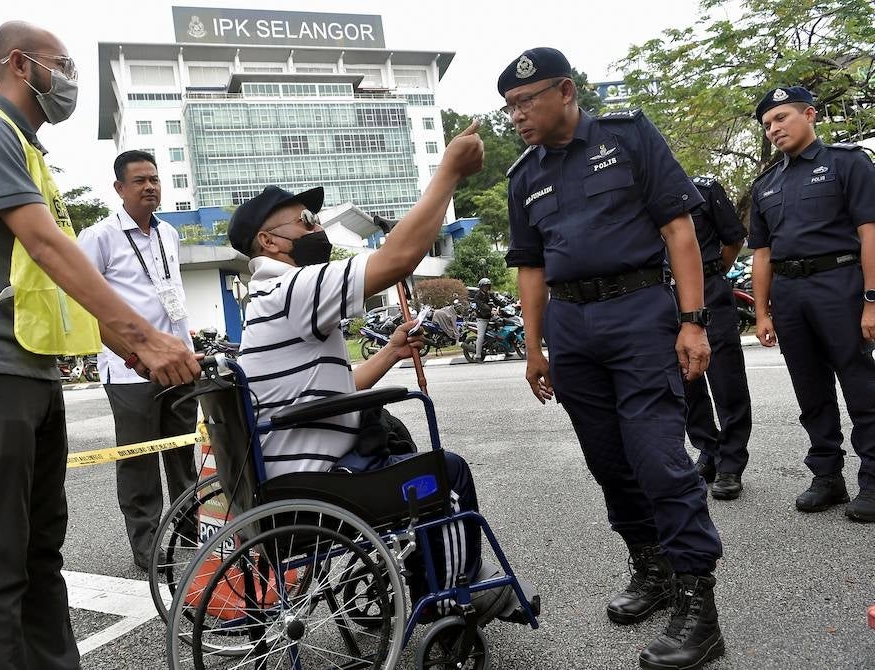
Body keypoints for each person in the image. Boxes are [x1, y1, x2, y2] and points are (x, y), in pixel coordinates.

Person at [0, 21, 199, 670]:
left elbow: (50, 277)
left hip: (28, 372)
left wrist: (129, 348)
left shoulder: (27, 152)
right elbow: (45, 245)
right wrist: (141, 338)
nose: (70, 81)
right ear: (19, 64)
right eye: (61, 65)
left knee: (40, 555)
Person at [227, 123, 537, 624]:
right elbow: (398, 259)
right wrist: (449, 172)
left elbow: (335, 389)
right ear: (268, 241)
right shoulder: (293, 288)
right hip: (316, 484)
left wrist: (390, 353)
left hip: (291, 476)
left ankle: (432, 571)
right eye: (306, 221)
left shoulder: (269, 298)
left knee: (395, 441)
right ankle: (453, 596)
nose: (317, 229)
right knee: (446, 472)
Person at [499, 47, 725, 669]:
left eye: (525, 101)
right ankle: (651, 568)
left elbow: (678, 229)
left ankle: (698, 605)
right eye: (509, 106)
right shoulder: (523, 176)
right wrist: (533, 347)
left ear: (565, 91)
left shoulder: (628, 137)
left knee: (658, 459)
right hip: (571, 328)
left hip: (638, 313)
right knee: (608, 461)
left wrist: (692, 321)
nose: (516, 116)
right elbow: (531, 268)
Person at [749, 85, 875, 522]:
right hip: (789, 292)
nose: (773, 129)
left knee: (861, 386)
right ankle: (827, 476)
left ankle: (873, 480)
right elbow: (761, 254)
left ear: (809, 115)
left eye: (781, 117)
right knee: (810, 390)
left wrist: (871, 300)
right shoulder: (766, 184)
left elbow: (869, 233)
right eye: (767, 124)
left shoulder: (848, 162)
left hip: (839, 283)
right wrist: (762, 312)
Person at [77, 150, 198, 571]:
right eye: (140, 181)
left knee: (182, 454)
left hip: (179, 364)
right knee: (139, 460)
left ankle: (189, 531)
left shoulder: (170, 234)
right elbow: (84, 305)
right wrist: (132, 355)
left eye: (154, 179)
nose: (150, 187)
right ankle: (146, 544)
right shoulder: (99, 237)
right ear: (119, 188)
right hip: (131, 370)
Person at [684, 176, 753, 500]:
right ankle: (708, 451)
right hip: (667, 296)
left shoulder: (703, 190)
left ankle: (731, 463)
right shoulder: (642, 197)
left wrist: (710, 274)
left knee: (727, 380)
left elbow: (734, 239)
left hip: (710, 289)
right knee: (686, 383)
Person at [473, 277, 498, 361]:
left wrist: (507, 306)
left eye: (487, 286)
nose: (486, 288)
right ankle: (478, 356)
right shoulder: (477, 296)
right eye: (484, 286)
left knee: (500, 329)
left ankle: (505, 350)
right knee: (481, 336)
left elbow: (497, 301)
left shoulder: (489, 294)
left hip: (490, 317)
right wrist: (491, 310)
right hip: (482, 319)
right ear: (481, 287)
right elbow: (482, 306)